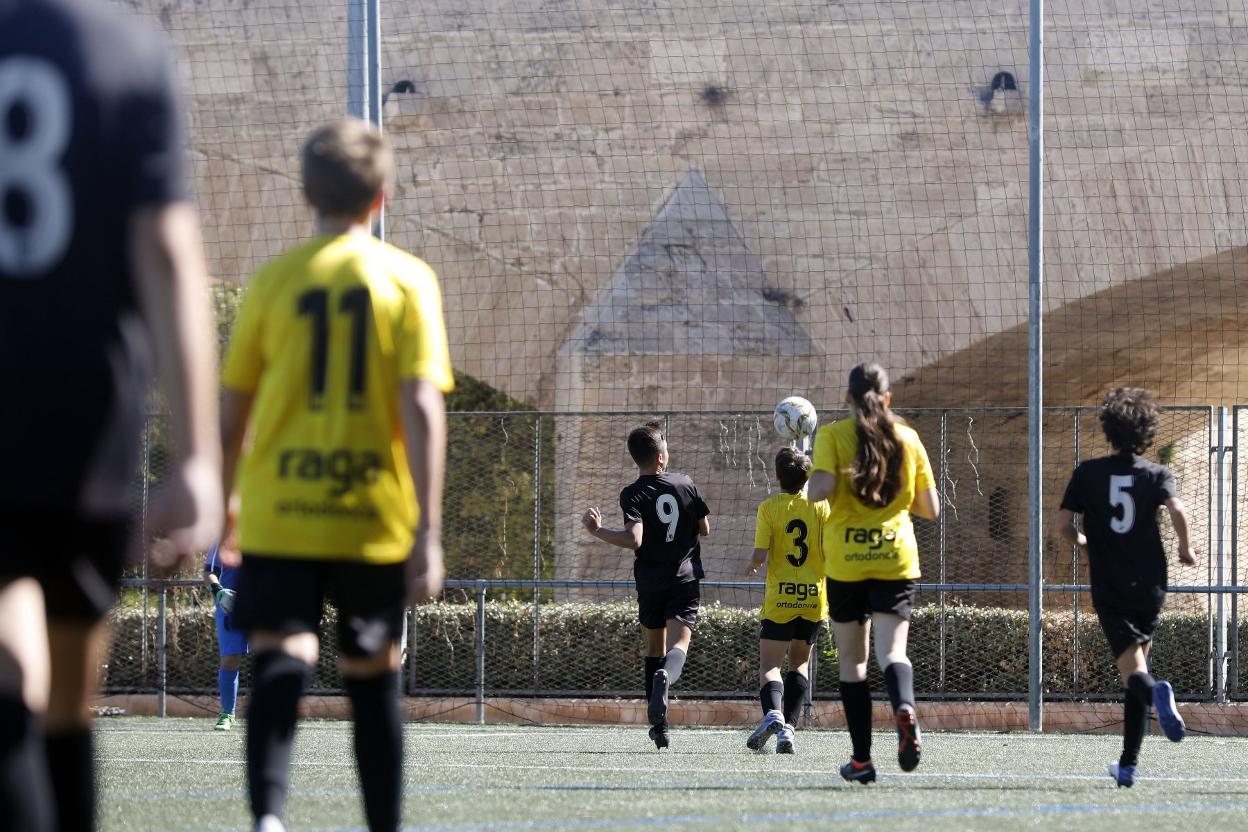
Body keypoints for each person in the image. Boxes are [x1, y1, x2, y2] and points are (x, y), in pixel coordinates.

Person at [0, 1, 222, 828]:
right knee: (65, 705)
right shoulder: (129, 48)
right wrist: (198, 458)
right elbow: (167, 250)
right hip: (83, 423)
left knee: (12, 688)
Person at [220, 119, 452, 832]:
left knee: (281, 650)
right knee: (371, 670)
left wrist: (225, 496)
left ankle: (268, 816)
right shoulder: (409, 281)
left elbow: (234, 406)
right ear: (381, 198)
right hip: (371, 514)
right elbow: (420, 405)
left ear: (303, 195)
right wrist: (428, 529)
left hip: (281, 507)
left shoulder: (273, 282)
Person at [1054, 387, 1195, 788]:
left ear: (1109, 430)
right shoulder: (1157, 474)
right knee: (1136, 669)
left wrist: (1080, 541)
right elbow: (1178, 509)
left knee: (1135, 674)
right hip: (1152, 583)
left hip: (1111, 584)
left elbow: (1062, 524)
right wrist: (1185, 547)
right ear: (1148, 433)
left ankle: (1157, 696)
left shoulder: (1087, 474)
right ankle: (1128, 766)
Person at [807, 362, 939, 784]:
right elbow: (931, 509)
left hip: (846, 562)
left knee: (853, 663)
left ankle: (862, 761)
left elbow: (819, 493)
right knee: (893, 654)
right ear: (888, 398)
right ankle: (904, 707)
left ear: (847, 398)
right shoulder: (908, 438)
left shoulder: (832, 436)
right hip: (895, 559)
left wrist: (816, 467)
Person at [581, 422, 710, 750]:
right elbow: (704, 528)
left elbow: (633, 539)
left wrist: (597, 531)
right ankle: (667, 677)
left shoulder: (631, 493)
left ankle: (659, 728)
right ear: (661, 459)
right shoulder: (685, 483)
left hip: (650, 582)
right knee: (678, 646)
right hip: (684, 578)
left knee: (653, 650)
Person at [744, 447, 830, 754]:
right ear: (807, 477)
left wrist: (752, 565)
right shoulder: (821, 508)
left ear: (777, 476)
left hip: (781, 598)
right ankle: (789, 731)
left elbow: (759, 554)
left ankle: (774, 714)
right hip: (813, 598)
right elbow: (830, 549)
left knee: (770, 664)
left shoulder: (769, 508)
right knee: (799, 663)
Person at [204, 522, 247, 731]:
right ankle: (227, 714)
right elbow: (209, 571)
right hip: (229, 605)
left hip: (264, 602)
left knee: (271, 656)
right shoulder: (225, 533)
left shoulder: (271, 530)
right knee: (230, 659)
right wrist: (219, 590)